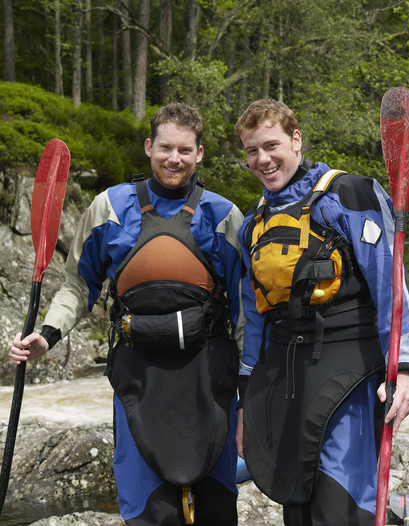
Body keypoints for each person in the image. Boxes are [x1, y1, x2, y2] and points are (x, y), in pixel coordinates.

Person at [9, 103, 245, 525]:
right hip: (139, 375)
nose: (175, 158)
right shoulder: (108, 208)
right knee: (150, 511)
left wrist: (251, 384)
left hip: (209, 377)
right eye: (166, 147)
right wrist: (48, 334)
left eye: (185, 150)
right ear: (148, 147)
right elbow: (79, 285)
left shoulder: (224, 216)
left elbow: (246, 311)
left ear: (200, 154)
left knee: (217, 509)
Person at [233, 99, 409, 525]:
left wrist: (405, 369)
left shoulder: (348, 194)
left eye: (271, 145)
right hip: (285, 377)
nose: (263, 159)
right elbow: (255, 319)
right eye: (251, 150)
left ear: (296, 140)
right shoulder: (253, 225)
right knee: (297, 502)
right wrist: (247, 400)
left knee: (341, 502)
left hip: (348, 371)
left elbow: (390, 284)